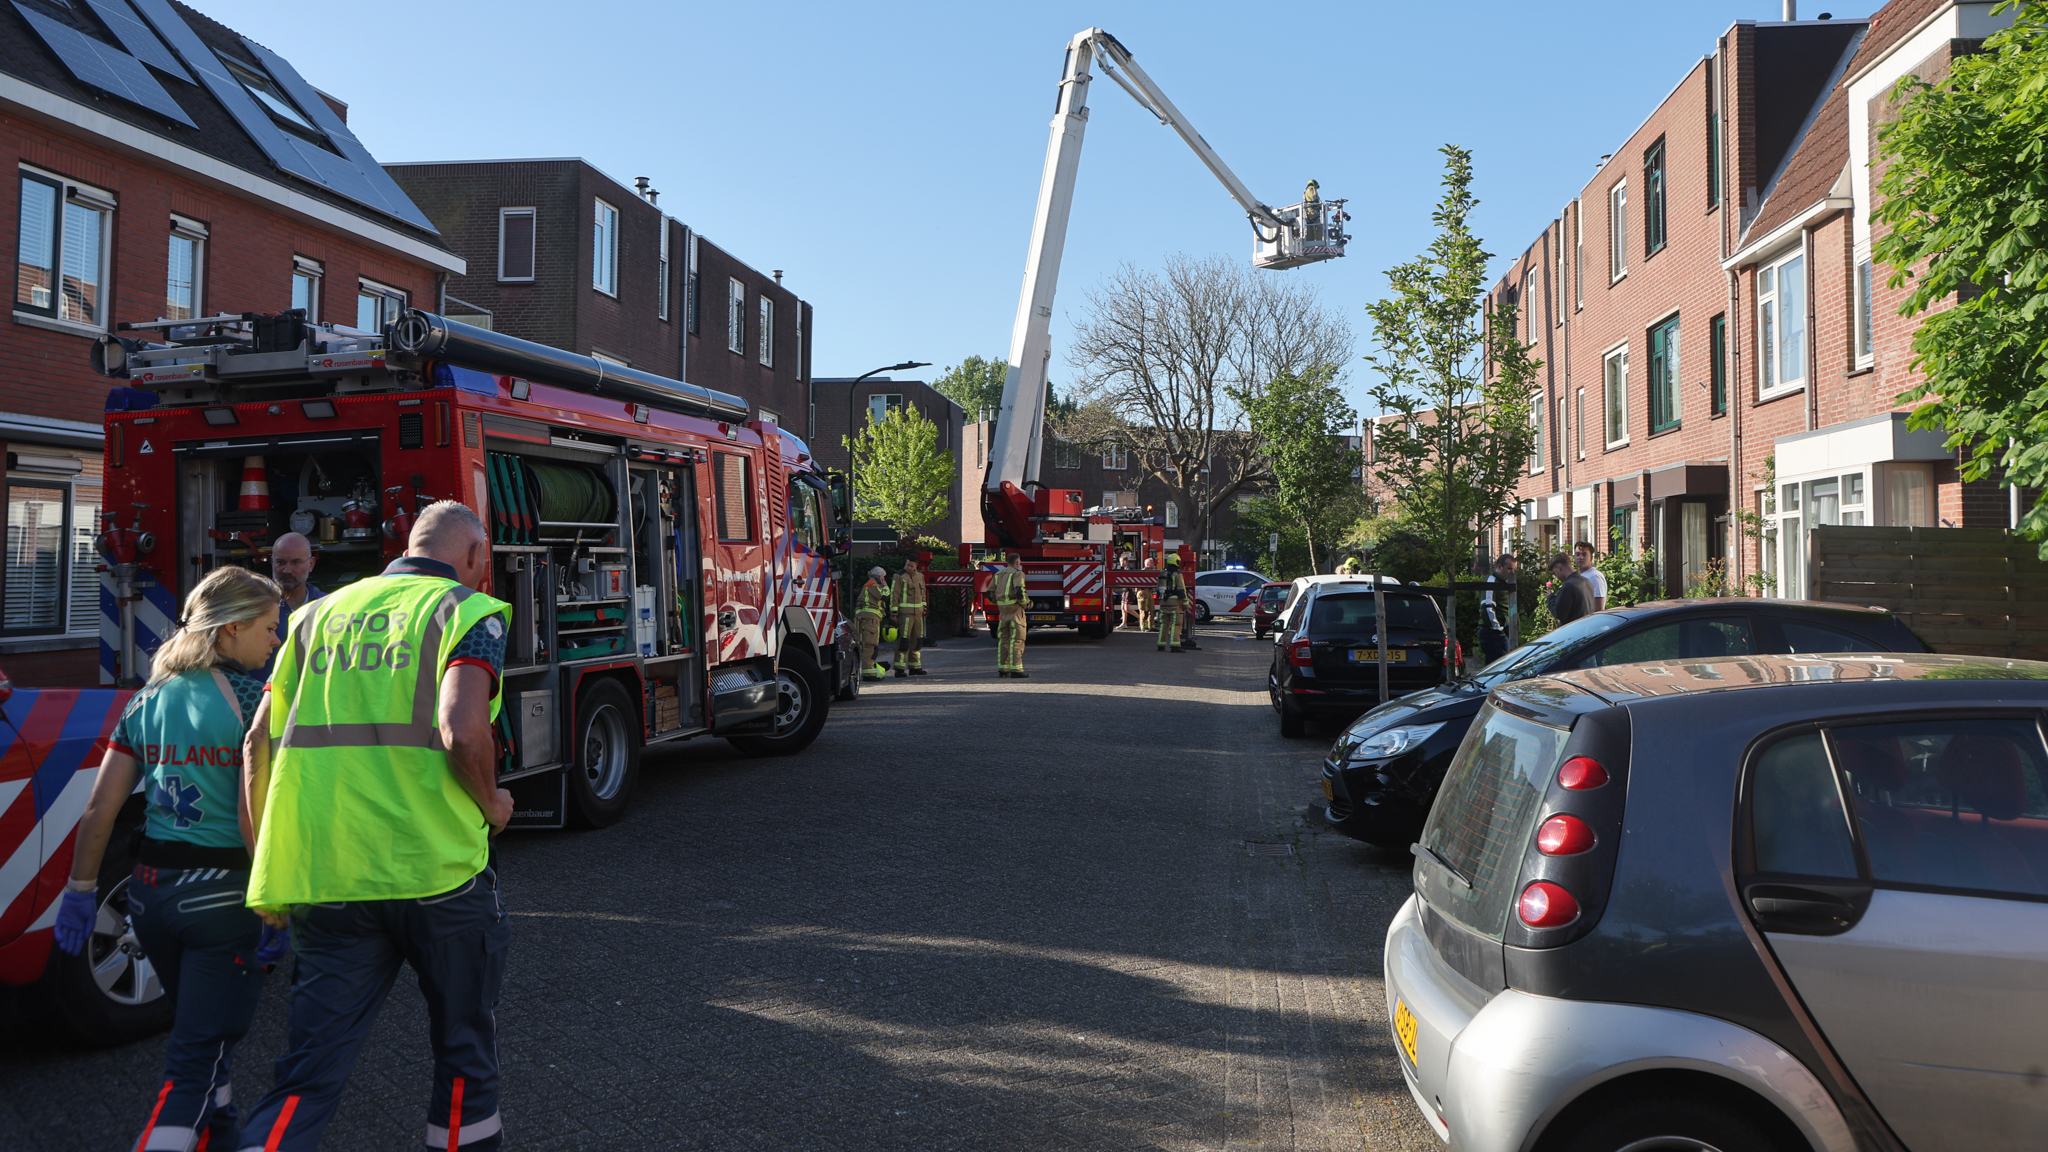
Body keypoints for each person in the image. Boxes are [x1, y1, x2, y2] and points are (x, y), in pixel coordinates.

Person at [235, 501, 514, 1152]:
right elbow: (463, 730)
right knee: (463, 1057)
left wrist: (263, 868)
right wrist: (493, 804)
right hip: (437, 874)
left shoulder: (309, 619)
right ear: (472, 555)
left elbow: (256, 744)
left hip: (329, 876)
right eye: (485, 564)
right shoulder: (466, 614)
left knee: (305, 1074)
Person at [55, 565, 285, 1152]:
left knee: (203, 1039)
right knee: (193, 1064)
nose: (275, 641)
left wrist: (81, 892)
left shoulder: (147, 699)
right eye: (267, 627)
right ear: (230, 630)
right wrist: (274, 903)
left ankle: (223, 1140)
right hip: (223, 899)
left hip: (151, 895)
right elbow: (249, 816)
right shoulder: (254, 701)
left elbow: (99, 811)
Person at [262, 532, 323, 675]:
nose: (287, 570)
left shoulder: (328, 606)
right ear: (272, 563)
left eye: (296, 562)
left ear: (311, 564)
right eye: (280, 562)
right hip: (261, 695)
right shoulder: (255, 608)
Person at [989, 551, 1029, 678]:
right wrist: (1025, 603)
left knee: (1004, 639)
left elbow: (989, 593)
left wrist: (999, 602)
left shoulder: (998, 574)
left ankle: (1003, 668)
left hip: (1003, 611)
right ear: (1017, 562)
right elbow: (1018, 590)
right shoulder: (1018, 573)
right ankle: (1016, 669)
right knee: (1017, 639)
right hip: (1015, 611)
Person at [890, 556, 928, 677]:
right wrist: (894, 613)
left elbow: (923, 593)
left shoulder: (920, 576)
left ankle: (915, 667)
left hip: (918, 614)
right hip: (905, 613)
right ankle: (899, 668)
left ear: (916, 565)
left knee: (917, 641)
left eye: (911, 565)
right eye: (907, 565)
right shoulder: (899, 576)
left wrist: (924, 607)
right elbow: (894, 595)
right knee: (904, 641)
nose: (909, 567)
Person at [1480, 552, 1520, 664]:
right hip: (1493, 634)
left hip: (1502, 632)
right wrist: (1498, 630)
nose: (1512, 573)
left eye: (1513, 569)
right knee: (1500, 666)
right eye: (1509, 569)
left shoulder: (1505, 582)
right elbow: (1487, 607)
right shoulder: (1492, 581)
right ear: (1499, 566)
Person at [855, 566, 889, 680]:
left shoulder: (867, 585)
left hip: (869, 618)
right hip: (872, 619)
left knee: (870, 645)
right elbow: (885, 596)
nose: (884, 579)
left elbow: (859, 602)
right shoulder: (874, 585)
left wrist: (859, 615)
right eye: (883, 577)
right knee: (870, 645)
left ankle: (870, 670)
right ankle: (868, 673)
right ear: (878, 577)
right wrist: (885, 586)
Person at [1547, 552, 1596, 626]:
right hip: (1586, 630)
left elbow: (1559, 614)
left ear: (1558, 567)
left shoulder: (1569, 586)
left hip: (1573, 632)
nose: (1556, 576)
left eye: (1554, 573)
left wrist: (1550, 598)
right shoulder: (1586, 581)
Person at [1156, 553, 1187, 652]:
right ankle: (1175, 646)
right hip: (1174, 603)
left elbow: (1158, 589)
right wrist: (1186, 603)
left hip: (1163, 602)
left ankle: (1161, 645)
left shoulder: (1162, 574)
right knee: (1176, 624)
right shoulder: (1177, 575)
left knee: (1164, 624)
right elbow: (1181, 590)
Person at [1574, 540, 1608, 612]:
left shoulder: (1595, 577)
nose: (1581, 557)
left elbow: (1598, 608)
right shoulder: (1578, 576)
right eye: (1577, 554)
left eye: (1584, 554)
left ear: (1591, 558)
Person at [1136, 555, 1159, 632]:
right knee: (1144, 610)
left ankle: (1151, 626)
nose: (1154, 564)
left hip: (1149, 591)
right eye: (1152, 563)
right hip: (1143, 592)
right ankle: (1144, 626)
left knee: (1151, 610)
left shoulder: (1151, 572)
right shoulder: (1143, 572)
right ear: (1148, 564)